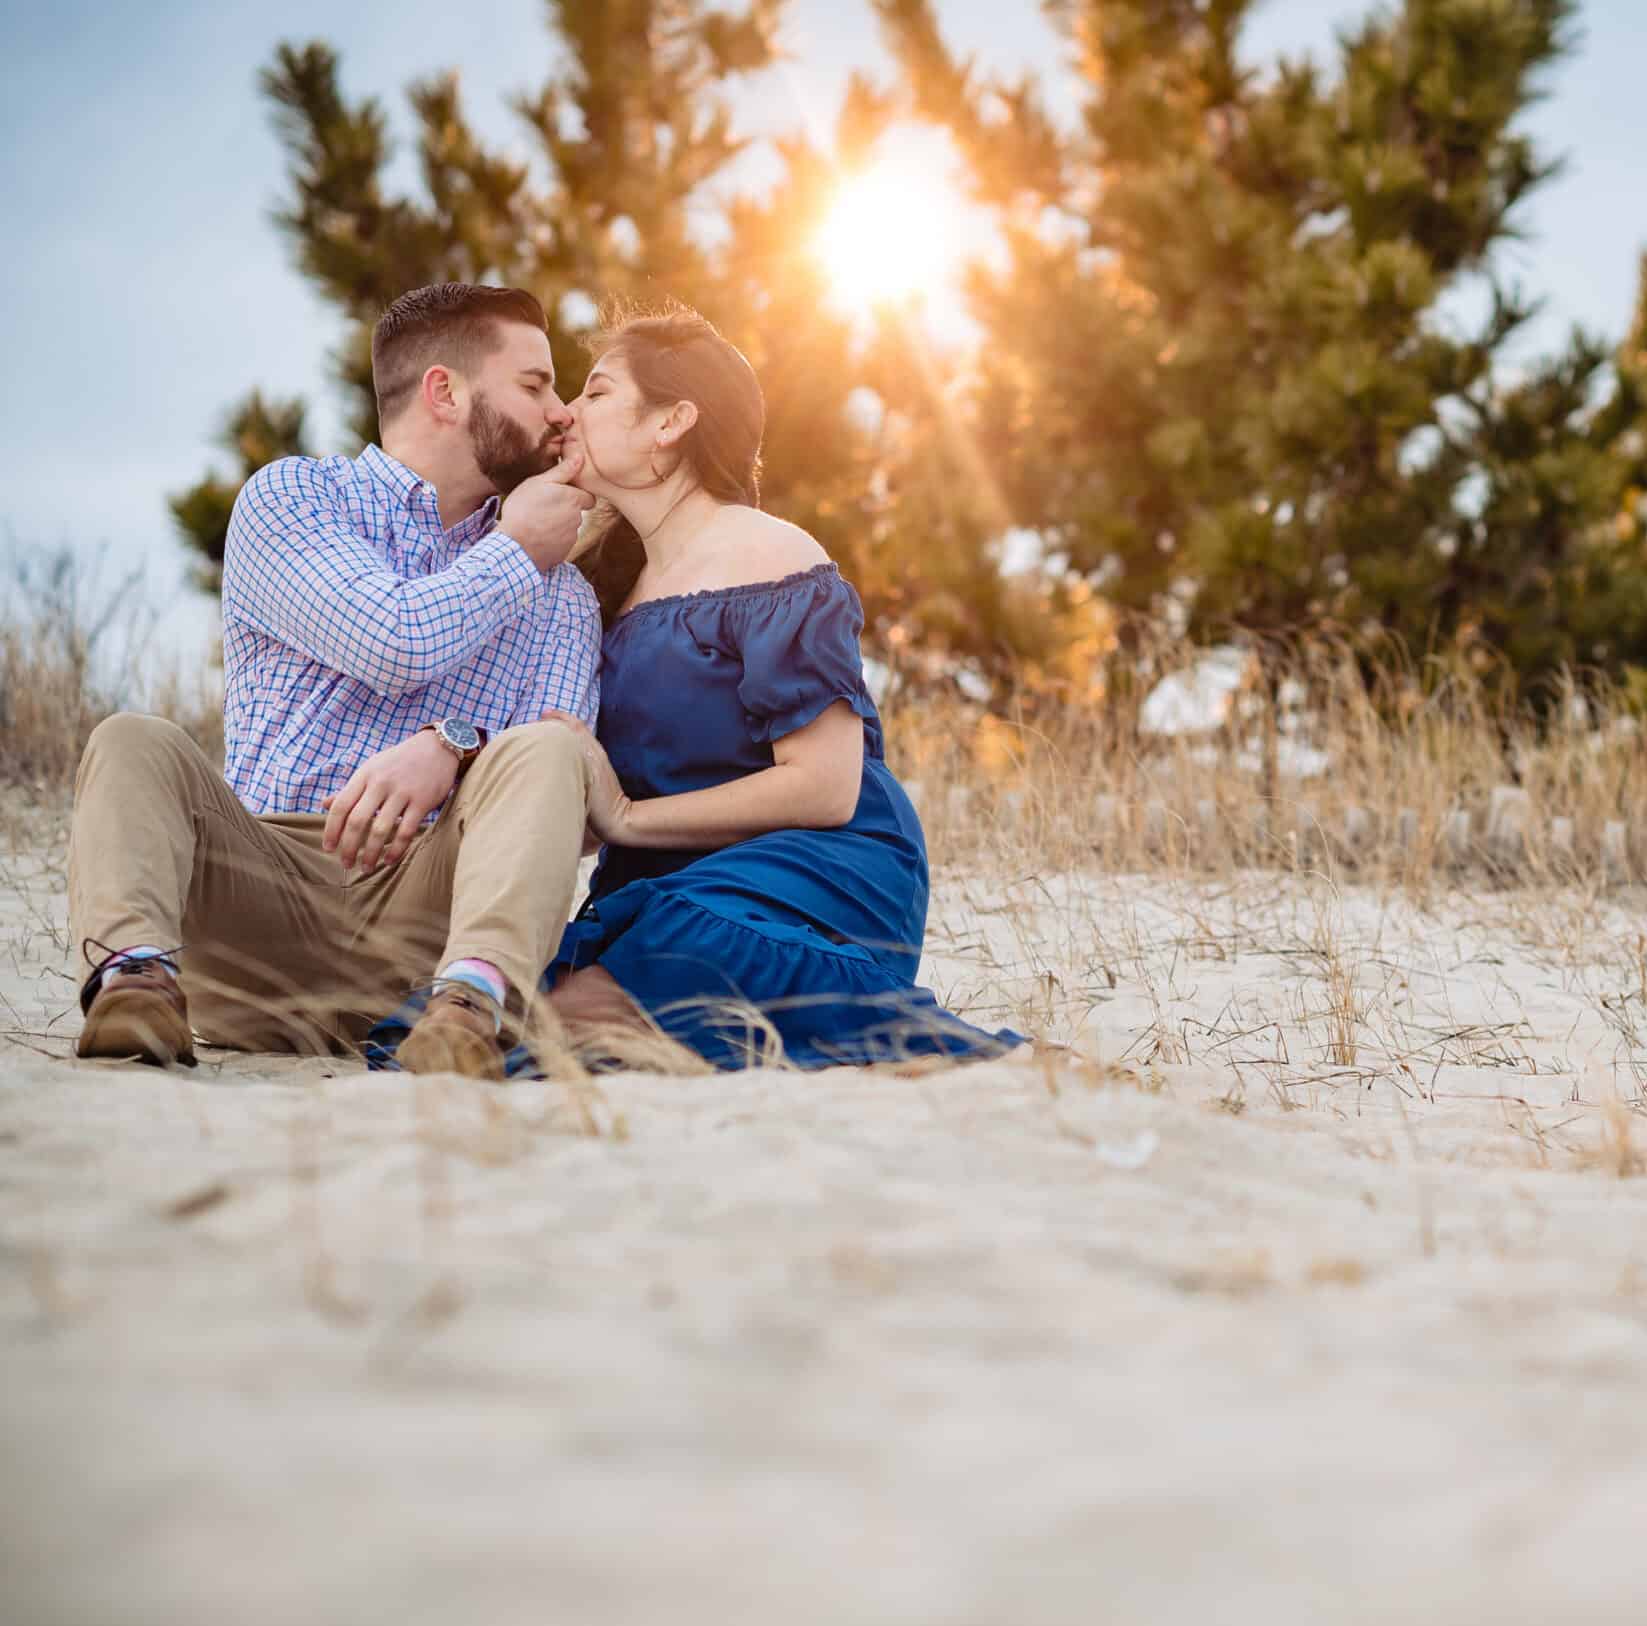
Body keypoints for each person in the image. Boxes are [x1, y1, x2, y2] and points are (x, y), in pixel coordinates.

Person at [458, 304, 1018, 1070]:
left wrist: (626, 817)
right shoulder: (604, 591)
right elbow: (582, 795)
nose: (566, 414)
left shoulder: (770, 552)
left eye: (595, 392)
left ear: (671, 422)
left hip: (815, 867)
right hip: (666, 879)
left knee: (581, 1016)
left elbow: (825, 787)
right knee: (501, 1018)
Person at [69, 283, 602, 1078]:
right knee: (131, 740)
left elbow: (568, 777)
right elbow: (392, 639)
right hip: (259, 896)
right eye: (535, 384)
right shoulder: (292, 501)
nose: (561, 411)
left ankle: (469, 1005)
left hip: (430, 919)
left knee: (554, 756)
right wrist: (519, 551)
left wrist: (450, 747)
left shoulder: (565, 595)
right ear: (445, 393)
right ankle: (137, 980)